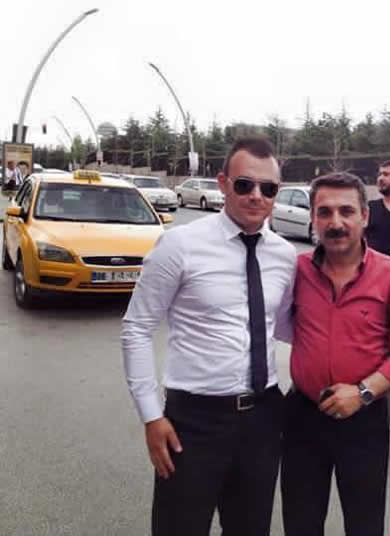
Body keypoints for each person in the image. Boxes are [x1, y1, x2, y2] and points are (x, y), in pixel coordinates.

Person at [121, 138, 297, 536]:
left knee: (250, 529)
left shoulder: (285, 255)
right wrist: (151, 415)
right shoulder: (180, 245)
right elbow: (137, 328)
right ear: (223, 183)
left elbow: (283, 324)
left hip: (264, 418)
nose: (256, 196)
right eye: (245, 185)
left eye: (268, 188)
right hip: (194, 421)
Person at [281, 172, 390, 536]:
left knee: (364, 525)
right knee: (300, 523)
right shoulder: (296, 271)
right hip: (302, 417)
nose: (336, 222)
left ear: (364, 215)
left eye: (346, 211)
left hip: (364, 420)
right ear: (313, 218)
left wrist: (362, 392)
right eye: (325, 212)